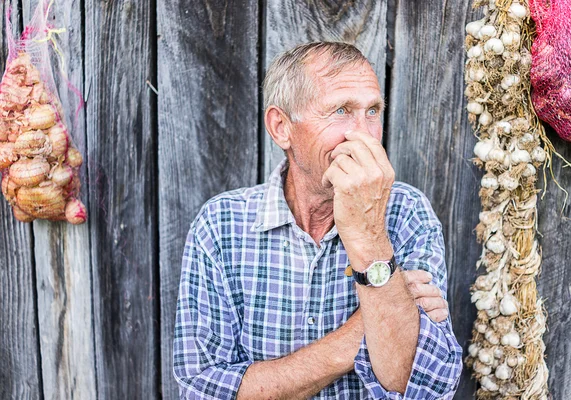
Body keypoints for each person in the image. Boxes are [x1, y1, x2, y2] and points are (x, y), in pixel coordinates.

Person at [173, 41, 463, 399]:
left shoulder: (407, 212)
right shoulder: (221, 225)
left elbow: (426, 392)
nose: (363, 134)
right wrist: (362, 331)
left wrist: (368, 233)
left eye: (372, 111)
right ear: (281, 128)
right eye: (341, 110)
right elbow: (202, 389)